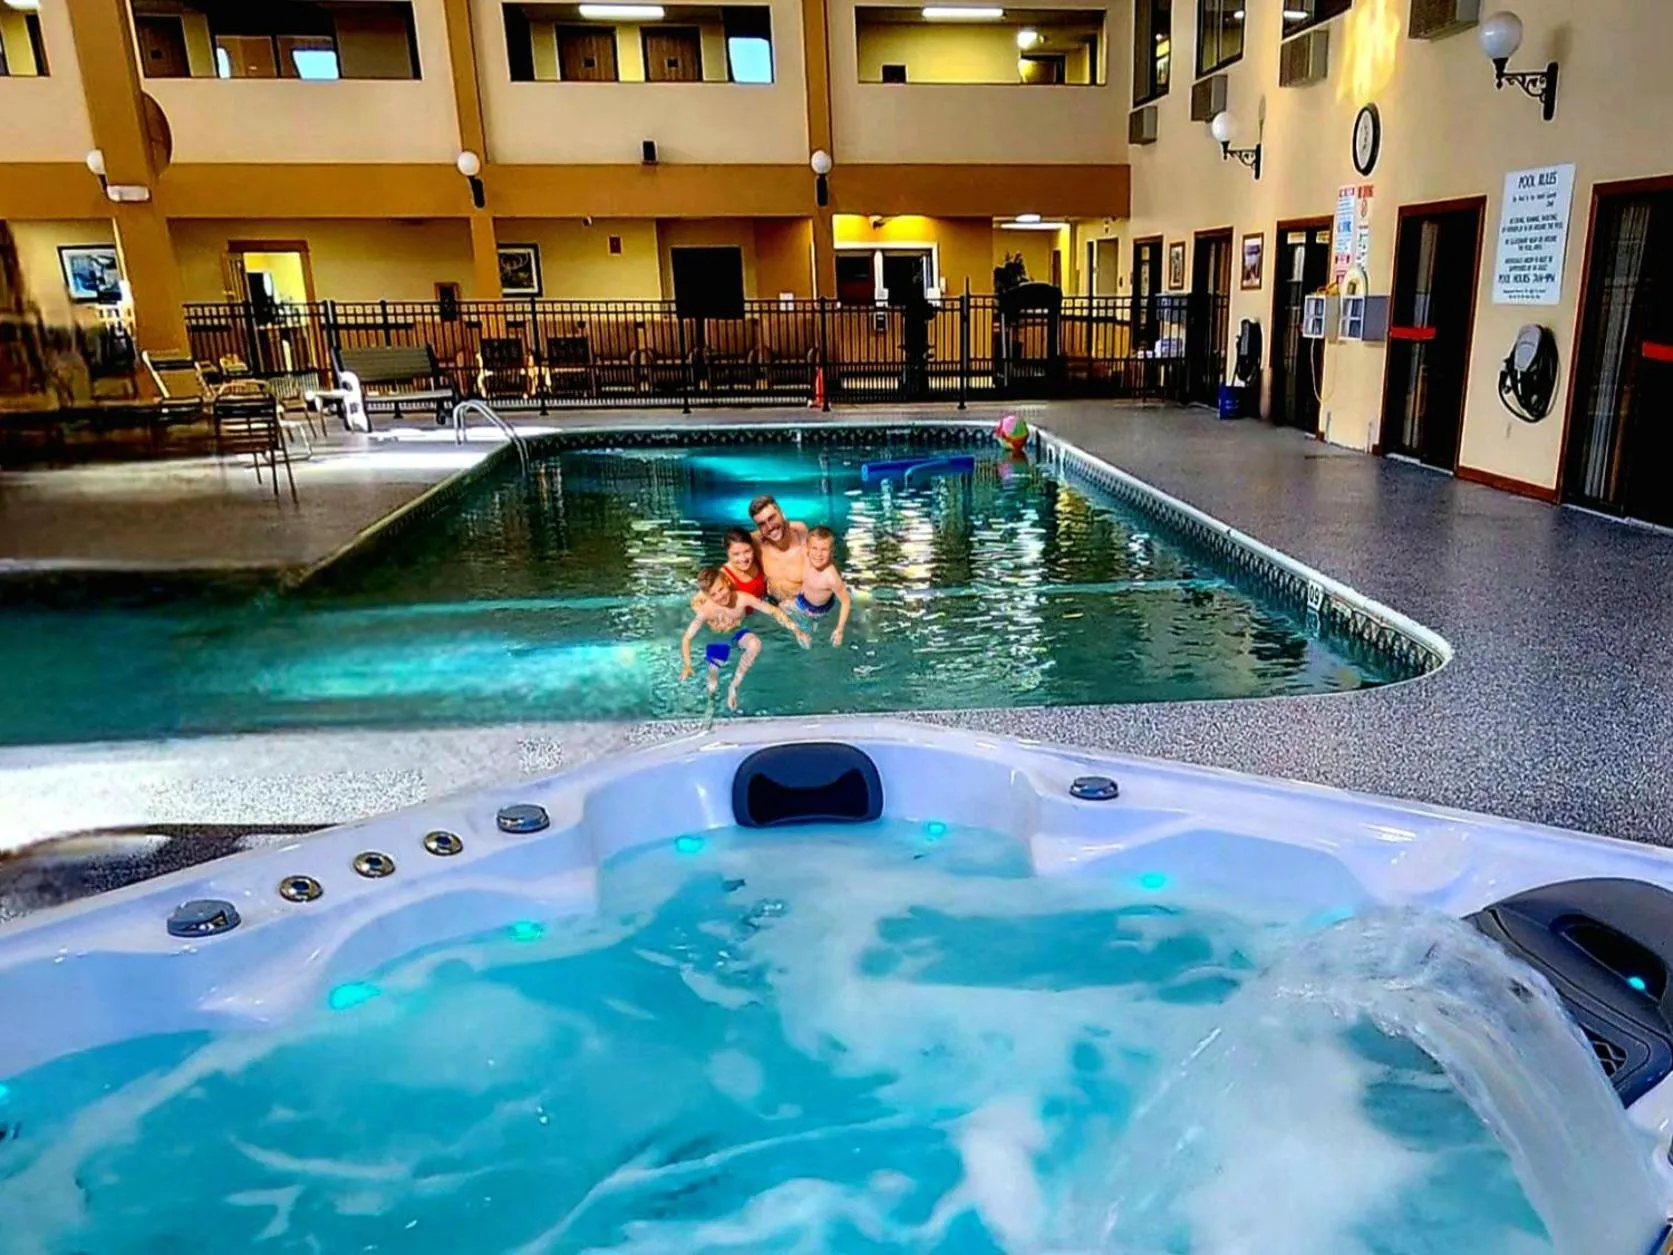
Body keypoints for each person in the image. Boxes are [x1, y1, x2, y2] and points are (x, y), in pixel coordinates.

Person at [680, 566, 809, 711]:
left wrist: (796, 630)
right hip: (718, 640)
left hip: (738, 635)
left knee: (755, 644)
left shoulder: (742, 599)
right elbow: (686, 638)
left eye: (721, 589)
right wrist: (687, 665)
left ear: (727, 582)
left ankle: (734, 686)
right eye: (714, 594)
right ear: (708, 596)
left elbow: (773, 611)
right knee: (712, 686)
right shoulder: (706, 611)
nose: (720, 596)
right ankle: (711, 704)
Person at [792, 526, 851, 647]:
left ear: (831, 551)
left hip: (820, 610)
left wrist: (840, 629)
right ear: (807, 548)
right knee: (782, 605)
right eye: (814, 548)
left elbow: (846, 601)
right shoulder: (806, 559)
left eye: (824, 550)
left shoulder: (831, 577)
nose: (818, 554)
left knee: (811, 636)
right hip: (802, 600)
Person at [750, 494, 810, 602]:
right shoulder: (757, 543)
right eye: (762, 524)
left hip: (804, 605)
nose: (769, 527)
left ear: (782, 513)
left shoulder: (800, 534)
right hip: (773, 603)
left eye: (771, 518)